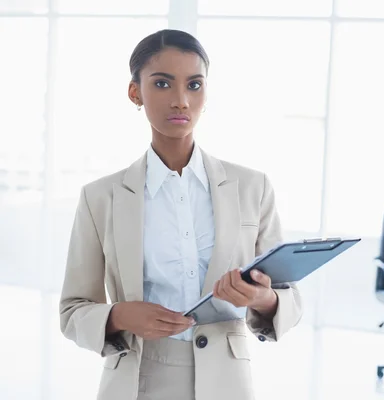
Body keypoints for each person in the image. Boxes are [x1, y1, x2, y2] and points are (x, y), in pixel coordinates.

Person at [58, 29, 302, 400]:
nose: (181, 101)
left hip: (227, 382)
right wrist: (121, 315)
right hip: (136, 378)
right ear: (134, 93)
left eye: (194, 85)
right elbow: (72, 312)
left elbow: (291, 300)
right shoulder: (100, 197)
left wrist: (261, 299)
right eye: (162, 83)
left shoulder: (253, 186)